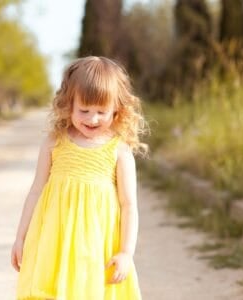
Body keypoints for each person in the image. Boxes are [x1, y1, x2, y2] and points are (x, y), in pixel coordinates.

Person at [11, 56, 148, 300]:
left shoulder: (119, 151)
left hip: (96, 244)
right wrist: (21, 236)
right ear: (68, 105)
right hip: (55, 240)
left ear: (116, 109)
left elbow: (129, 206)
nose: (92, 119)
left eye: (101, 111)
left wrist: (126, 252)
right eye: (83, 110)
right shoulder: (54, 142)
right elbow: (36, 191)